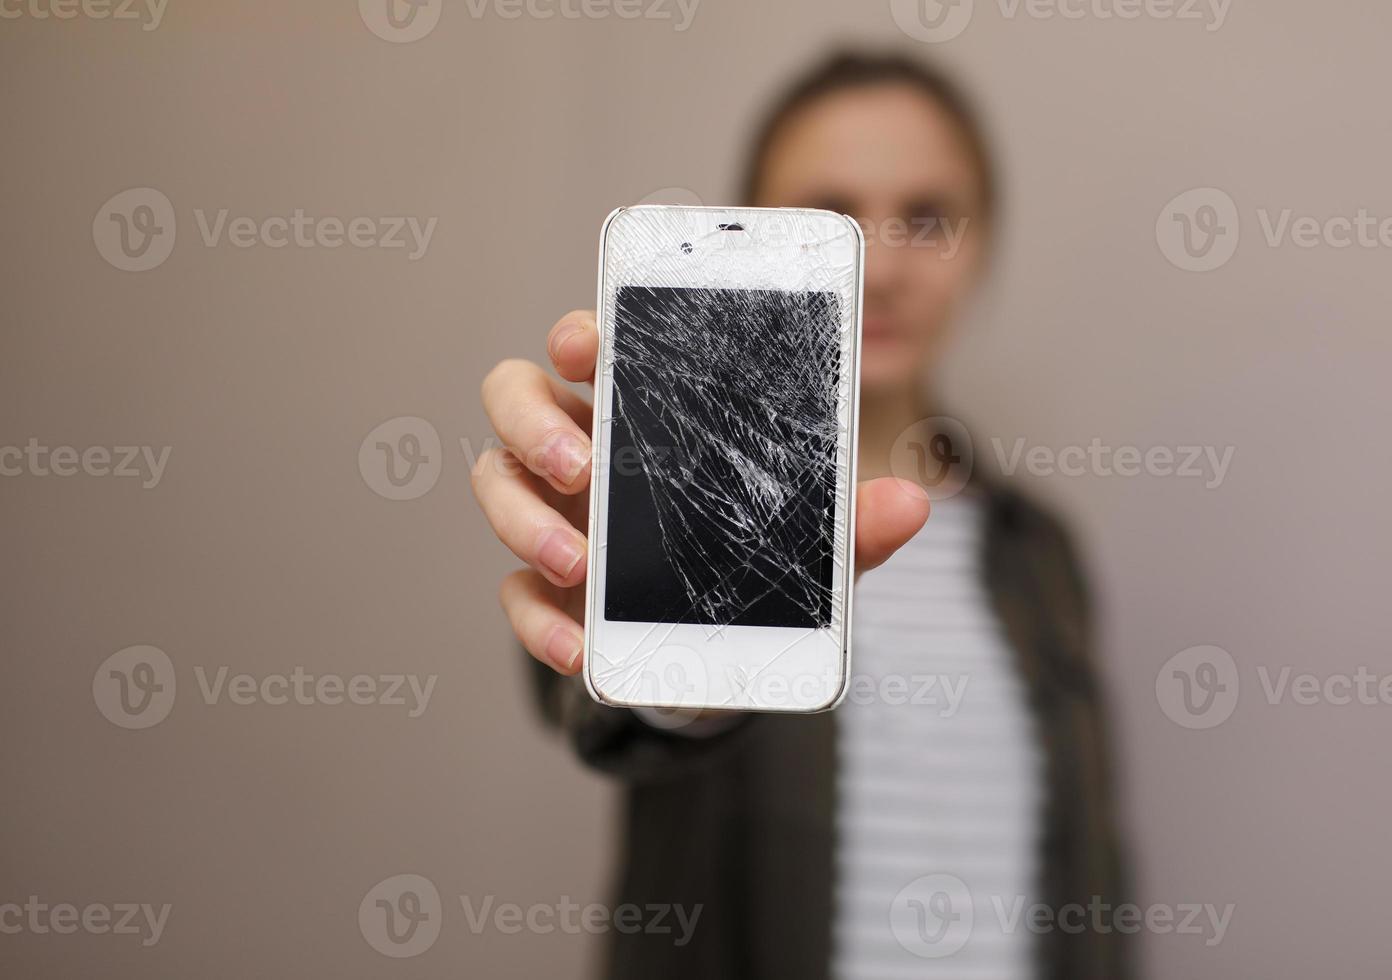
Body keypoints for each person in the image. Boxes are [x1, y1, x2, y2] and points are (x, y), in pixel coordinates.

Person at [473, 50, 1131, 980]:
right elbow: (617, 720)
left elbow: (1092, 870)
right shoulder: (687, 504)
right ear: (755, 236)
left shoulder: (1041, 552)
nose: (884, 263)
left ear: (982, 243)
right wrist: (639, 586)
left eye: (928, 218)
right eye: (833, 216)